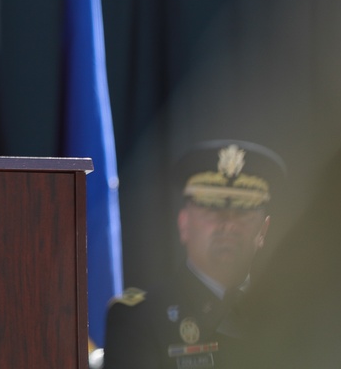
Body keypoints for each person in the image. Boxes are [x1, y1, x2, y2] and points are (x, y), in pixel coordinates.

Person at [103, 139, 286, 369]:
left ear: (262, 231)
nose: (228, 225)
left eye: (242, 211)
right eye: (213, 209)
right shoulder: (140, 319)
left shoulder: (294, 314)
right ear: (184, 225)